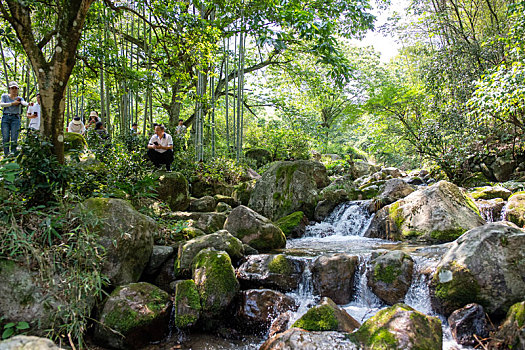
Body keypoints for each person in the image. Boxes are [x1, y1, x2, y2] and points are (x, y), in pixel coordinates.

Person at [1, 81, 28, 156]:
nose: (14, 90)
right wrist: (12, 103)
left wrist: (29, 104)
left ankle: (13, 154)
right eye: (12, 88)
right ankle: (6, 154)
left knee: (14, 137)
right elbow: (1, 104)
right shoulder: (5, 96)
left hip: (15, 118)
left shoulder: (19, 98)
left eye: (15, 88)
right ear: (9, 89)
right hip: (6, 117)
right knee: (5, 137)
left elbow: (24, 103)